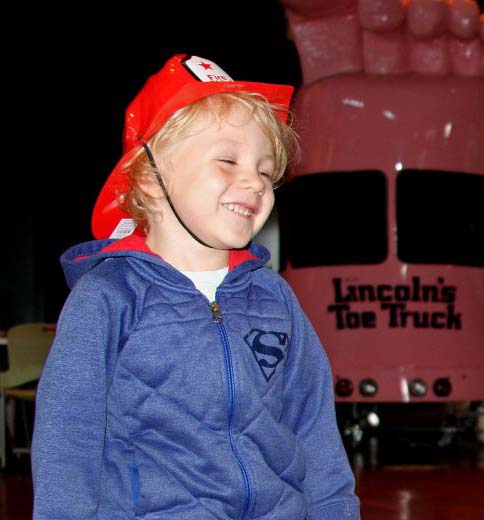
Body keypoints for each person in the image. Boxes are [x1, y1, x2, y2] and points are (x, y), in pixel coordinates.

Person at [32, 55, 360, 519]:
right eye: (227, 160)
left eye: (266, 171)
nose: (254, 182)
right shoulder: (108, 297)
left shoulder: (274, 299)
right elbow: (68, 443)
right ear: (150, 179)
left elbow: (314, 429)